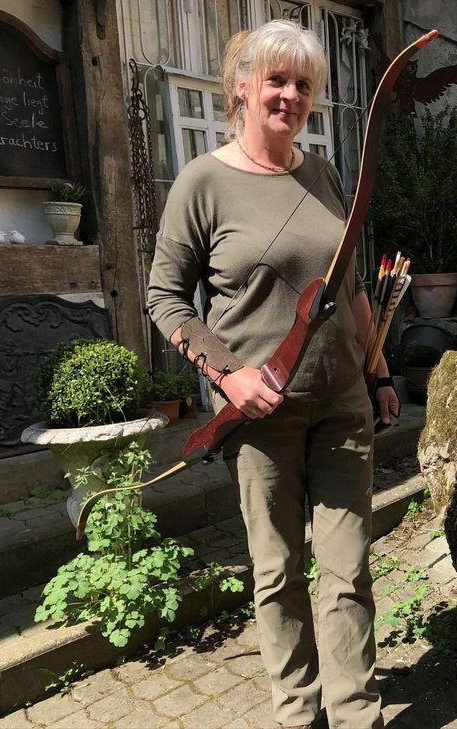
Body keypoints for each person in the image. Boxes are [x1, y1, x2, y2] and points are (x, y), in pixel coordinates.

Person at [147, 19, 396, 729]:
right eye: (277, 80)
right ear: (242, 87)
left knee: (347, 569)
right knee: (278, 572)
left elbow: (348, 288)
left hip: (343, 404)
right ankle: (298, 713)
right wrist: (227, 376)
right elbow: (165, 297)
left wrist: (378, 372)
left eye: (303, 85)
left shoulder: (321, 174)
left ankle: (356, 715)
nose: (290, 95)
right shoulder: (203, 182)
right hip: (261, 416)